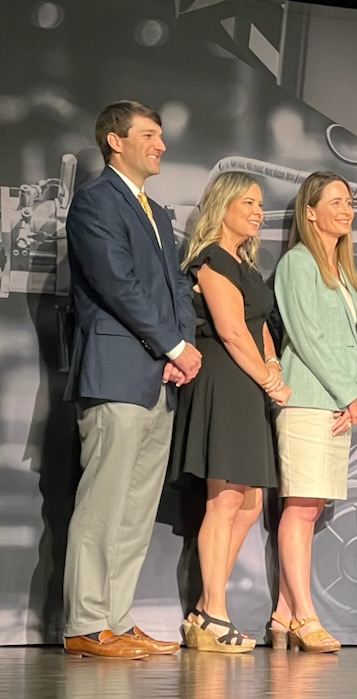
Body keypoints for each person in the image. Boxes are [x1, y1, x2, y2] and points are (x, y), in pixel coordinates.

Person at [62, 100, 202, 659]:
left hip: (159, 376)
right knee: (104, 504)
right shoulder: (96, 201)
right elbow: (117, 284)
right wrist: (173, 345)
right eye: (148, 135)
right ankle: (86, 623)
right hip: (116, 372)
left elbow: (176, 286)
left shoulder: (157, 212)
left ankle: (115, 620)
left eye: (161, 136)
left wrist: (181, 347)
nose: (160, 145)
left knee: (137, 508)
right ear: (115, 141)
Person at [170, 172, 289, 653]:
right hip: (225, 381)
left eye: (260, 204)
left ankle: (205, 609)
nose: (259, 212)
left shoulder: (245, 264)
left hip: (250, 385)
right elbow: (232, 331)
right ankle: (215, 613)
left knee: (250, 504)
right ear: (223, 206)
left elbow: (258, 328)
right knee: (223, 501)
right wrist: (267, 378)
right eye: (249, 203)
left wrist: (273, 366)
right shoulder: (212, 260)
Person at [269, 172, 357, 653]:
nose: (346, 209)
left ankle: (283, 614)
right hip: (309, 400)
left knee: (310, 509)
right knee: (301, 507)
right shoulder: (298, 263)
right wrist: (350, 392)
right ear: (310, 213)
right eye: (336, 202)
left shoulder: (343, 272)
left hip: (335, 404)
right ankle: (306, 616)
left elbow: (354, 343)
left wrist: (356, 393)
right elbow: (307, 336)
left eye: (349, 201)